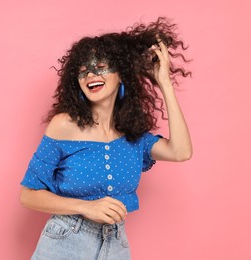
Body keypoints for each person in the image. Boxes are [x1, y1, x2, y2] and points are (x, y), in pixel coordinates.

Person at [20, 17, 192, 260]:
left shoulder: (132, 137)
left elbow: (181, 151)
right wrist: (85, 206)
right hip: (65, 241)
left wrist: (165, 84)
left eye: (100, 66)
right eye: (83, 71)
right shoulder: (64, 125)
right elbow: (28, 195)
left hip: (116, 243)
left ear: (121, 74)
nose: (91, 74)